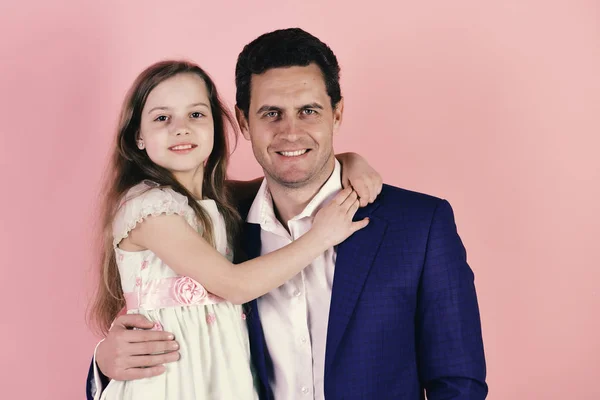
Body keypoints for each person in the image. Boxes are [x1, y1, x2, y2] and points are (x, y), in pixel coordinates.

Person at [89, 27, 488, 399]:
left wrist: (351, 160)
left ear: (338, 113)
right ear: (243, 121)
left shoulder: (419, 225)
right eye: (271, 113)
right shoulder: (220, 221)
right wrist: (105, 364)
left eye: (309, 111)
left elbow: (458, 382)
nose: (291, 132)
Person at [87, 59, 382, 399]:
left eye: (196, 115)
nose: (181, 128)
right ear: (138, 135)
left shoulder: (218, 201)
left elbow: (288, 178)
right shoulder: (148, 208)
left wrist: (346, 160)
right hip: (171, 381)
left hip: (224, 377)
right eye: (162, 118)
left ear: (217, 125)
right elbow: (235, 286)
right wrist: (321, 236)